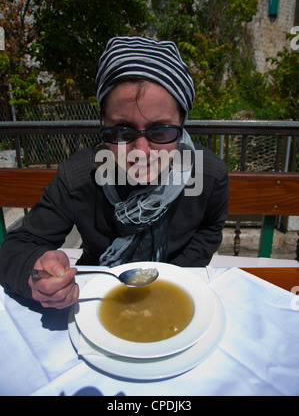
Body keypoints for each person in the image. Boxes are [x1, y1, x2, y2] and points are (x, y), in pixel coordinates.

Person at [0, 36, 229, 309]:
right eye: (121, 131)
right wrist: (38, 273)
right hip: (95, 297)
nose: (141, 151)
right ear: (103, 123)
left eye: (161, 131)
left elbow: (209, 230)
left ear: (182, 124)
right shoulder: (80, 177)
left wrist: (174, 276)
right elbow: (18, 247)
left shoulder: (207, 175)